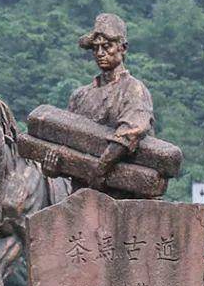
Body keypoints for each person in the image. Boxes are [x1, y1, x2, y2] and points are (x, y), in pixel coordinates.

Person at [43, 13, 154, 192]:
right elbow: (69, 145)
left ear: (123, 48)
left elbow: (128, 135)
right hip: (81, 194)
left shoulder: (134, 90)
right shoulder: (80, 96)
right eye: (95, 48)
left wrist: (98, 171)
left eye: (107, 46)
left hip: (122, 195)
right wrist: (54, 167)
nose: (100, 53)